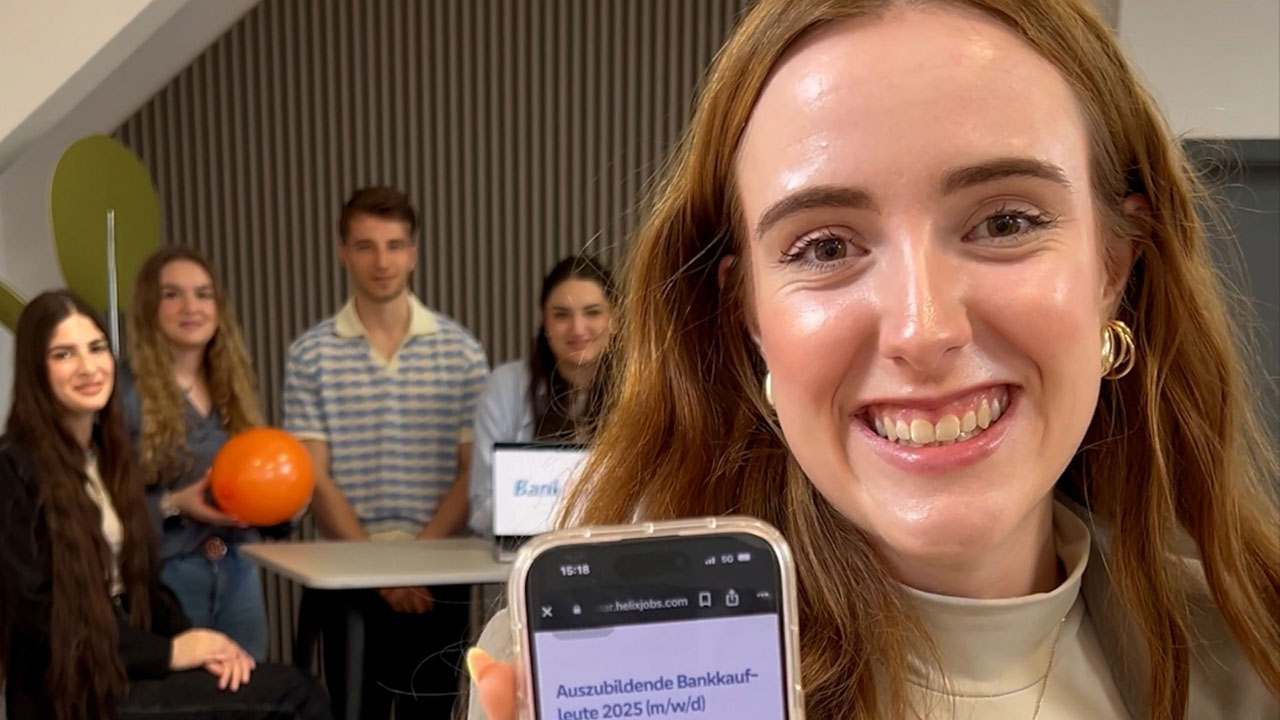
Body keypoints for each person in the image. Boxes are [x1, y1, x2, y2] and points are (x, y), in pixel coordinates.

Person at [467, 1, 1280, 718]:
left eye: (1005, 223)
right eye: (825, 246)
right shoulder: (580, 668)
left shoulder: (1255, 653)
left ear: (1113, 267)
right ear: (749, 313)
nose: (923, 330)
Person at [0, 290, 331, 719]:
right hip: (72, 690)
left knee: (285, 684)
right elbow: (42, 615)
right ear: (35, 370)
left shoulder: (108, 456)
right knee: (295, 697)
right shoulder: (12, 468)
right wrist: (171, 652)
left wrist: (203, 645)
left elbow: (145, 586)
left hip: (127, 664)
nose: (88, 367)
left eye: (96, 348)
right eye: (64, 354)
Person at [284, 186, 489, 718]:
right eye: (366, 246)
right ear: (343, 253)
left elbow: (472, 474)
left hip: (438, 575)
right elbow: (314, 478)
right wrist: (382, 572)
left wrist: (413, 567)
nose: (381, 262)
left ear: (413, 253)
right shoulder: (310, 355)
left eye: (394, 246)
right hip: (348, 572)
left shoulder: (462, 352)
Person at [119, 246, 287, 662]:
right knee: (186, 694)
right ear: (149, 307)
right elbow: (102, 505)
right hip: (167, 579)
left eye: (203, 294)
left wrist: (283, 500)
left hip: (239, 573)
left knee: (249, 690)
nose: (191, 307)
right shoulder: (123, 394)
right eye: (172, 294)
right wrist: (175, 503)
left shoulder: (235, 390)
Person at [469, 254, 616, 536]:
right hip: (526, 553)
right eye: (561, 315)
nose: (578, 329)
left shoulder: (643, 390)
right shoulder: (506, 386)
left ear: (615, 319)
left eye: (592, 313)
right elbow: (481, 507)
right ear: (545, 324)